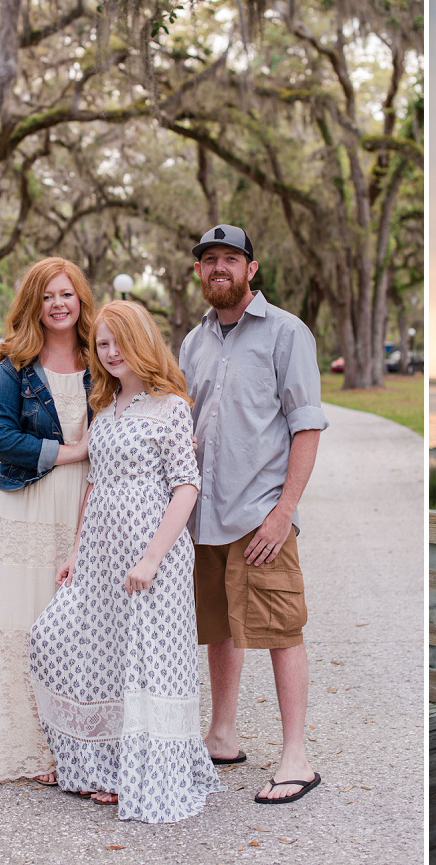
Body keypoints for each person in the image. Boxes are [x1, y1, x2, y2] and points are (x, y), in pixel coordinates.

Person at [29, 300, 219, 822]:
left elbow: (186, 486)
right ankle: (99, 765)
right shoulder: (105, 410)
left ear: (142, 341)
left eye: (119, 342)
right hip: (100, 553)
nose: (110, 353)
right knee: (67, 641)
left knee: (143, 661)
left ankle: (140, 774)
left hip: (152, 555)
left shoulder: (171, 407)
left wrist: (153, 558)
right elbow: (94, 484)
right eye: (103, 344)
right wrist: (75, 552)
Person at [179, 224, 329, 804]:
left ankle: (297, 756)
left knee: (281, 629)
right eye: (209, 260)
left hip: (259, 517)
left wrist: (283, 512)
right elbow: (185, 429)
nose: (219, 268)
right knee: (219, 626)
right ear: (199, 272)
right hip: (204, 518)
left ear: (251, 268)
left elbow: (307, 425)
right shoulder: (194, 343)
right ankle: (221, 733)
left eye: (230, 259)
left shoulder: (286, 333)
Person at [0, 257, 93, 784]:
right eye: (48, 296)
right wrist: (72, 452)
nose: (58, 304)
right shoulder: (14, 365)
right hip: (27, 503)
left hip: (86, 508)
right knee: (25, 625)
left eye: (67, 294)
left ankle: (77, 749)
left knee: (76, 631)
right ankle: (31, 749)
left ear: (80, 301)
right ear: (33, 303)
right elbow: (0, 438)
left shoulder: (103, 357)